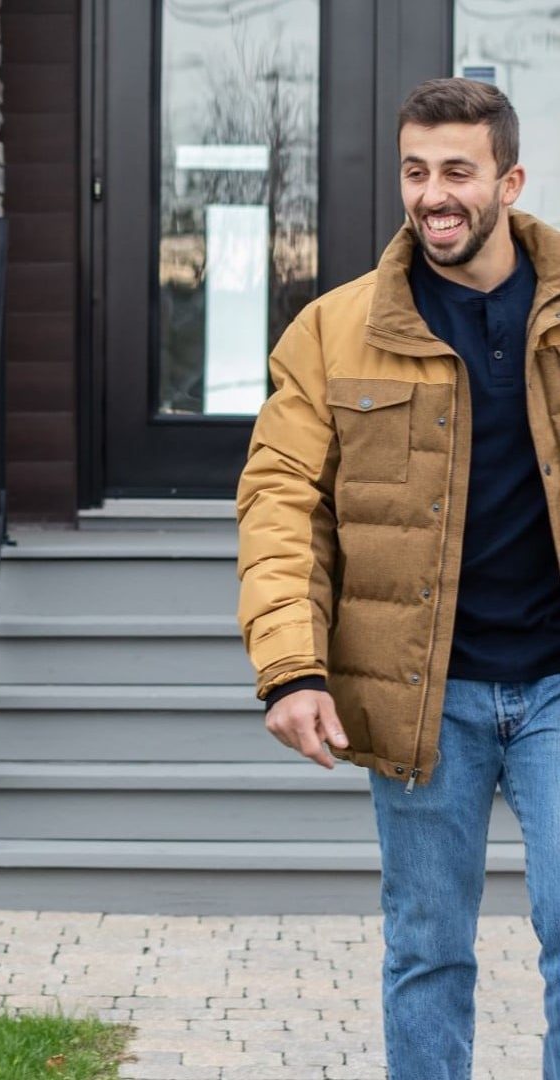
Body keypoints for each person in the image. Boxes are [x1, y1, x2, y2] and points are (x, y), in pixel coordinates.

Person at [236, 77, 560, 1080]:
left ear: (508, 182)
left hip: (556, 684)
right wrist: (291, 667)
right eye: (414, 171)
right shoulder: (333, 331)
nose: (432, 195)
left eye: (457, 171)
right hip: (423, 693)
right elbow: (280, 503)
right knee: (426, 951)